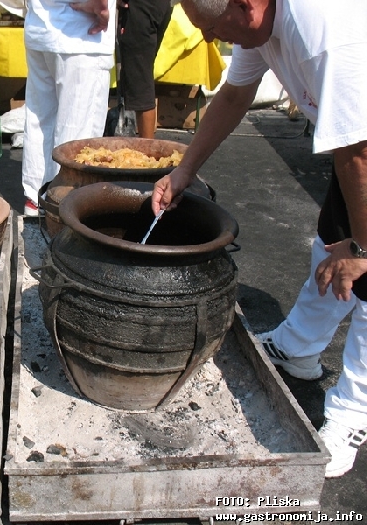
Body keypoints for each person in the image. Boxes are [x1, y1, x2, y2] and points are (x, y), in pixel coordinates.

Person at [151, 0, 367, 478]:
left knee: (363, 268)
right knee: (332, 239)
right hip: (356, 145)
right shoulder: (259, 28)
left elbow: (360, 152)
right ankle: (300, 348)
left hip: (364, 145)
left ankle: (355, 414)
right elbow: (233, 95)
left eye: (212, 29)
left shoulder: (321, 32)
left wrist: (364, 249)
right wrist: (185, 169)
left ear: (245, 6)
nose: (210, 41)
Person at [21, 0, 116, 216]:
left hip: (41, 26)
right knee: (78, 133)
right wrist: (101, 6)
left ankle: (36, 200)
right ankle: (64, 207)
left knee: (41, 119)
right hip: (81, 35)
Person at [116, 0, 172, 138]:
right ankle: (147, 150)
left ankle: (147, 152)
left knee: (140, 82)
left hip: (141, 7)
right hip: (156, 6)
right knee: (141, 77)